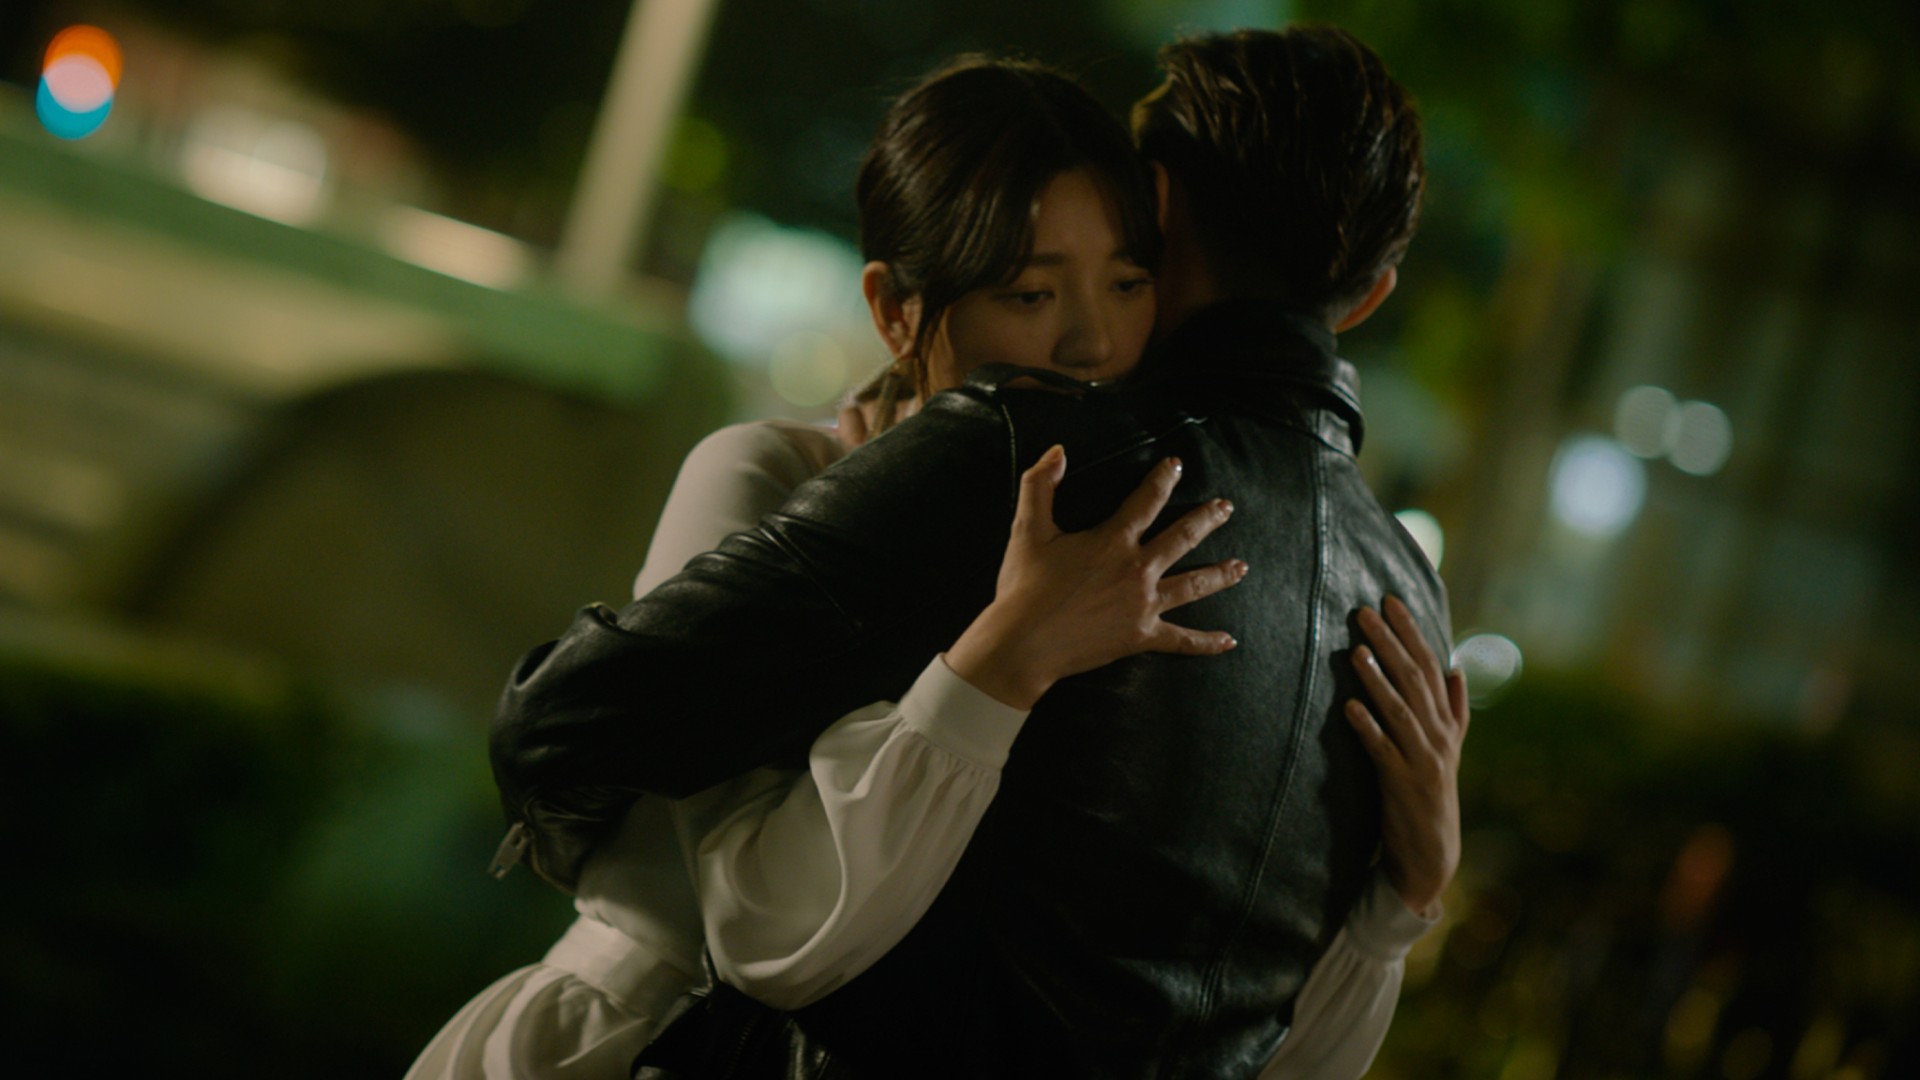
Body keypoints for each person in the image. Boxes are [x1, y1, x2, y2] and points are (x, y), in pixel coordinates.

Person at [415, 57, 1454, 1080]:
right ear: (1372, 295)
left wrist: (1405, 901)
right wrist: (1405, 900)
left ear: (1162, 206)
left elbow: (583, 742)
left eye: (1126, 278)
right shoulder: (1410, 593)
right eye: (1030, 289)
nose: (1089, 339)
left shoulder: (1045, 464)